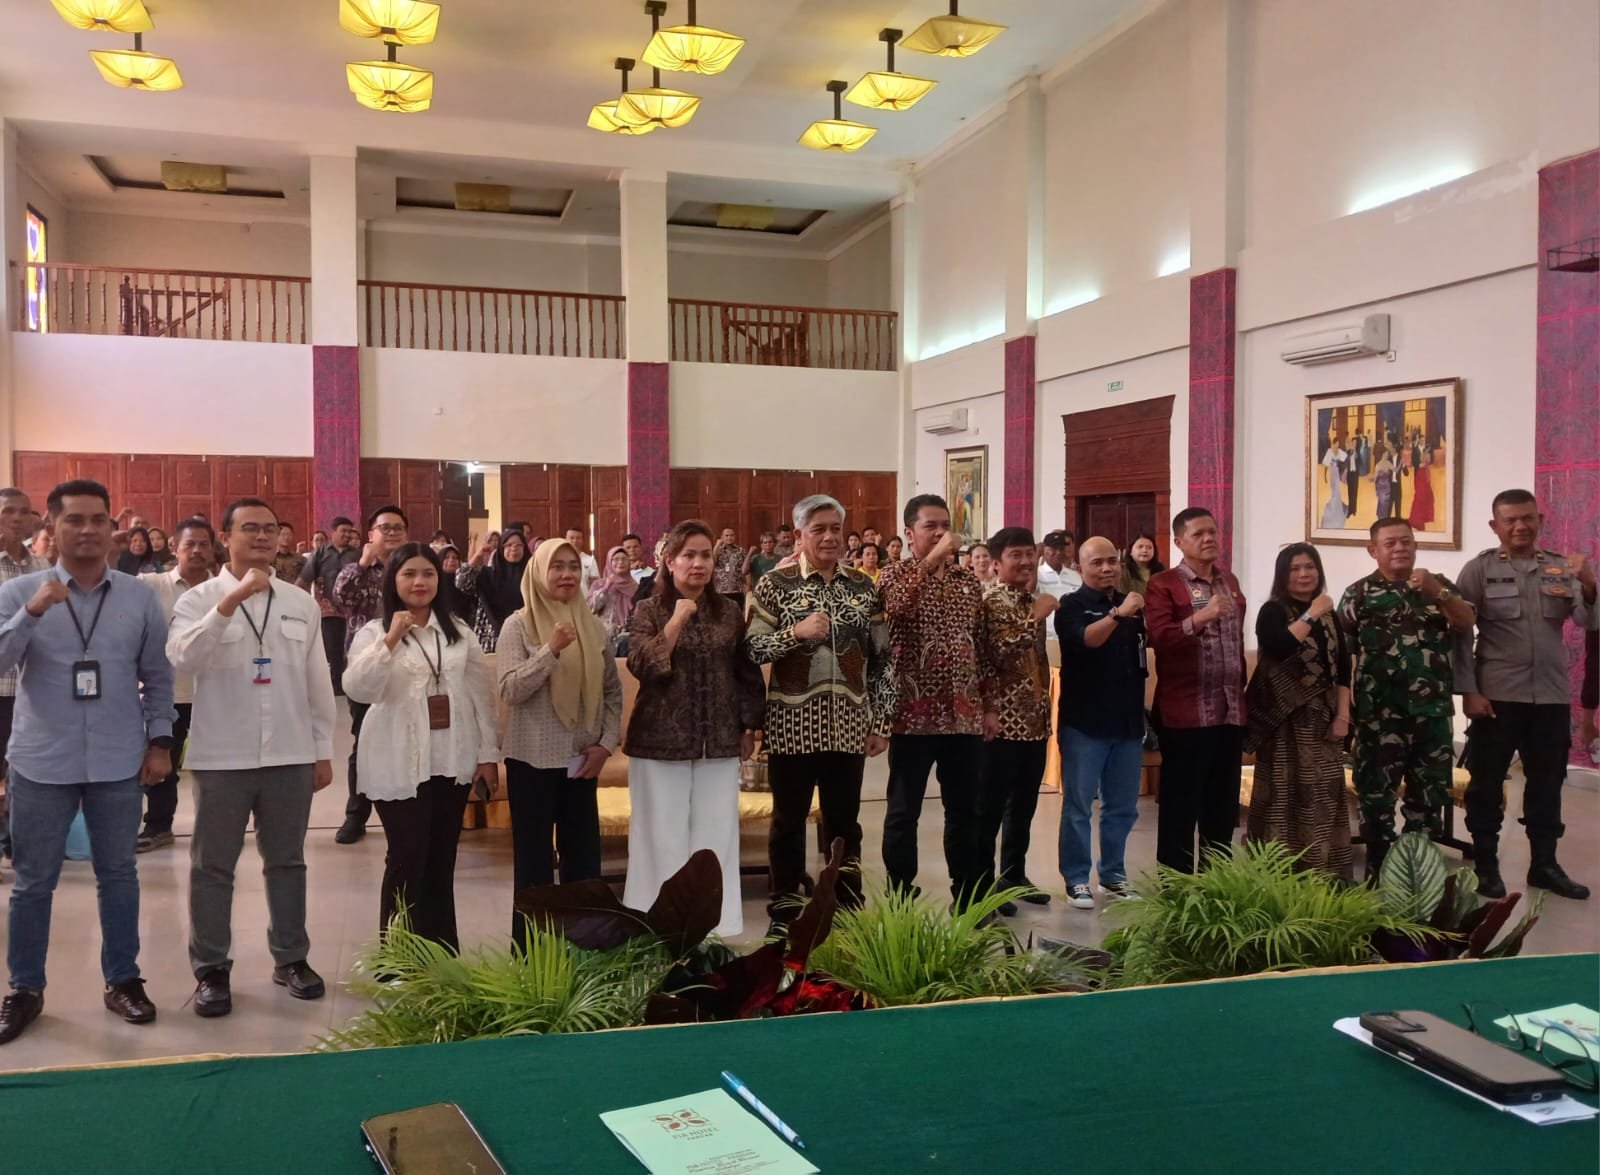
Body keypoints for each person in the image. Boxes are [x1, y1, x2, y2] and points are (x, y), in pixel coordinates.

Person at [0, 480, 173, 1045]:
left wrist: (160, 741)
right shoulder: (21, 590)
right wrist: (31, 612)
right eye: (75, 519)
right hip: (40, 761)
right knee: (33, 884)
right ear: (51, 527)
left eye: (99, 519)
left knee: (118, 874)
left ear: (111, 528)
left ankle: (123, 979)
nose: (88, 529)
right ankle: (25, 989)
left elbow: (158, 675)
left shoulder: (137, 596)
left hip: (117, 759)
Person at [167, 498, 336, 1017]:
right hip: (222, 755)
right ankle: (211, 969)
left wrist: (322, 749)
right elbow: (183, 659)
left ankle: (291, 958)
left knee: (287, 861)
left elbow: (317, 681)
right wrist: (232, 600)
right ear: (226, 537)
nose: (262, 536)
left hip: (289, 751)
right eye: (249, 528)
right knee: (212, 867)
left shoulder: (300, 602)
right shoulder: (198, 599)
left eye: (270, 528)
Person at [746, 495, 894, 926]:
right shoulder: (775, 584)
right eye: (819, 529)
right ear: (799, 535)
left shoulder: (863, 587)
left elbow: (882, 658)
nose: (830, 537)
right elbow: (753, 648)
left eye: (835, 529)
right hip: (792, 725)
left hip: (849, 724)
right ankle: (785, 909)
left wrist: (882, 721)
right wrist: (795, 632)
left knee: (845, 824)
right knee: (787, 823)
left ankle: (845, 906)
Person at [343, 544, 499, 949]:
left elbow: (481, 695)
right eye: (409, 574)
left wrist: (488, 755)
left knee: (441, 859)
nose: (419, 582)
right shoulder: (373, 633)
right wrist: (392, 639)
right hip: (396, 760)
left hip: (451, 757)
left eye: (427, 574)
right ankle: (398, 958)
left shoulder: (458, 632)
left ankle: (441, 952)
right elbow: (358, 688)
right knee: (407, 856)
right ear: (392, 581)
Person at [623, 521, 765, 937]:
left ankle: (714, 928)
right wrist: (676, 622)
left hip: (718, 741)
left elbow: (745, 672)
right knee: (659, 837)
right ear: (669, 561)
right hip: (658, 742)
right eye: (689, 555)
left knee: (716, 837)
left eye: (705, 555)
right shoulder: (649, 610)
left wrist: (748, 726)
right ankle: (654, 929)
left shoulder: (729, 612)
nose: (698, 563)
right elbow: (641, 665)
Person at [1453, 490, 1595, 900]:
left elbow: (1589, 620)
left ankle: (1544, 865)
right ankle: (1486, 865)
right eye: (1510, 520)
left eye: (1528, 518)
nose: (1520, 527)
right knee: (1486, 785)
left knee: (1548, 784)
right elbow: (1460, 635)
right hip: (1497, 696)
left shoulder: (1560, 567)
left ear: (1540, 520)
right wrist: (1468, 691)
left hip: (1550, 695)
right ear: (1495, 526)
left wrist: (1588, 582)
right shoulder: (1478, 570)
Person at [1338, 518, 1476, 878]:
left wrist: (1437, 592)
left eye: (1406, 541)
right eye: (1390, 543)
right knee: (1375, 799)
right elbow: (1339, 656)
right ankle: (1377, 871)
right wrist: (1343, 711)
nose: (1400, 548)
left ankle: (1418, 875)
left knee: (1428, 800)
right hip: (1378, 718)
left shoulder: (1439, 586)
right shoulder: (1358, 595)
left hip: (1431, 716)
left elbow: (1466, 622)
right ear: (1373, 550)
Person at [497, 539, 622, 929]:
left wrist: (605, 745)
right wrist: (549, 651)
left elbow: (612, 692)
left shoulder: (594, 627)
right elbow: (510, 690)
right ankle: (532, 951)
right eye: (557, 566)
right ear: (538, 572)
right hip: (531, 761)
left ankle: (583, 945)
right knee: (534, 864)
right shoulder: (518, 625)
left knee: (584, 862)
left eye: (573, 566)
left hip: (582, 760)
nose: (567, 574)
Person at [879, 495, 989, 906]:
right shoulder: (893, 574)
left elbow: (979, 645)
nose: (942, 533)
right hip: (913, 716)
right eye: (931, 526)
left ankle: (968, 898)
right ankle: (901, 899)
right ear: (910, 534)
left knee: (965, 812)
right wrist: (931, 561)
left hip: (963, 716)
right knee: (903, 812)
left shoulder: (967, 581)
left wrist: (988, 706)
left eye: (946, 525)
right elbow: (893, 608)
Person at [1145, 507, 1248, 873]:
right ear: (1179, 542)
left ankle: (1216, 881)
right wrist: (1202, 616)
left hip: (1229, 710)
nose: (1208, 539)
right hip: (1186, 713)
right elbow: (1161, 637)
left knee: (1221, 806)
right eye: (1198, 534)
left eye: (1212, 532)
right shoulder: (1163, 584)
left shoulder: (1228, 580)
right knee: (1181, 805)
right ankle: (1175, 886)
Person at [1243, 544, 1352, 879]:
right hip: (1283, 721)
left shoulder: (1331, 616)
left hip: (1323, 719)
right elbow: (1279, 647)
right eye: (1295, 569)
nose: (1304, 574)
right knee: (1283, 794)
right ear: (1283, 575)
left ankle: (1324, 871)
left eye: (1310, 567)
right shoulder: (1273, 611)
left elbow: (1343, 669)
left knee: (1323, 793)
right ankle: (1278, 874)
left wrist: (1343, 716)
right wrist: (1312, 613)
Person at [1054, 535, 1148, 908]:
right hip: (1085, 723)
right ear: (1081, 567)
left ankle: (1113, 875)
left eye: (1112, 561)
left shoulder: (1130, 603)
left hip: (1127, 722)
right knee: (1078, 806)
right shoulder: (1071, 606)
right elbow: (1088, 640)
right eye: (1098, 562)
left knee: (1122, 807)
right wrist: (1118, 614)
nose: (1107, 568)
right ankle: (1077, 879)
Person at [974, 527, 1057, 912]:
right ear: (996, 563)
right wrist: (1035, 618)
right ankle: (981, 885)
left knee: (1023, 806)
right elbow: (998, 654)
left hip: (1033, 721)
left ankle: (1013, 875)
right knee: (989, 809)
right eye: (1016, 555)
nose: (1026, 562)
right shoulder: (991, 601)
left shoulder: (1028, 599)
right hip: (1001, 722)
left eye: (1029, 554)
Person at [135, 517, 217, 853]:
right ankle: (158, 825)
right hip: (167, 693)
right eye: (189, 544)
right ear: (173, 547)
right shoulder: (150, 585)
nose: (197, 550)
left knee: (215, 766)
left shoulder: (225, 590)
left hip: (215, 693)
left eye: (203, 544)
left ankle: (217, 828)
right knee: (160, 762)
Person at [332, 505, 410, 844]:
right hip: (367, 668)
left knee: (410, 737)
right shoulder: (358, 568)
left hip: (410, 667)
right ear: (371, 534)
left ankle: (408, 809)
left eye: (397, 528)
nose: (391, 533)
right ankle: (356, 815)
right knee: (364, 739)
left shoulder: (414, 567)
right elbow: (341, 597)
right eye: (384, 528)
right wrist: (364, 563)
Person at [0, 489, 51, 866]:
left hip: (32, 686)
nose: (16, 519)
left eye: (23, 512)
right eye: (7, 512)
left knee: (25, 771)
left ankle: (17, 843)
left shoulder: (42, 567)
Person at [296, 517, 360, 702]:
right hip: (328, 610)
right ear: (333, 532)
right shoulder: (320, 553)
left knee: (351, 648)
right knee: (333, 649)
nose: (347, 535)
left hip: (352, 611)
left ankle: (350, 683)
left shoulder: (357, 554)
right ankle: (335, 685)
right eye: (343, 531)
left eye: (350, 531)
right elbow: (304, 579)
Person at [457, 529, 528, 653]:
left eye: (518, 545)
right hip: (491, 639)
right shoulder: (488, 575)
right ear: (501, 549)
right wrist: (476, 557)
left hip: (525, 637)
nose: (514, 548)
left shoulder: (531, 575)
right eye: (508, 545)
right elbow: (461, 583)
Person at [586, 545, 637, 652]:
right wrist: (606, 588)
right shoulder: (599, 584)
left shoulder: (635, 587)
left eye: (624, 559)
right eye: (616, 559)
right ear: (609, 562)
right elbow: (591, 608)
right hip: (602, 637)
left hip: (627, 638)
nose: (620, 562)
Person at [1036, 531, 1083, 599]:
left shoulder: (1075, 576)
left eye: (1061, 549)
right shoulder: (1037, 574)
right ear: (1044, 550)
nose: (1058, 552)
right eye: (1053, 549)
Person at [712, 527, 747, 610]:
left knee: (737, 613)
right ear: (722, 537)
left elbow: (746, 570)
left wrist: (747, 586)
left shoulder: (741, 551)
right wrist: (717, 545)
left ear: (734, 537)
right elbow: (712, 562)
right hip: (721, 589)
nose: (729, 537)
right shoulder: (718, 550)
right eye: (727, 535)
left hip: (737, 589)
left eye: (731, 535)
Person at [1408, 436, 1436, 530]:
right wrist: (1419, 465)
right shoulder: (1415, 450)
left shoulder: (1427, 451)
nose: (1423, 441)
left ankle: (1423, 517)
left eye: (1424, 440)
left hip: (1426, 474)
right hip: (1419, 474)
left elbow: (1431, 461)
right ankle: (1416, 519)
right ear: (1419, 440)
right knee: (1419, 495)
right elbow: (1413, 462)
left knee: (1426, 496)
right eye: (1421, 440)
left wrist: (1427, 460)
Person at [1320, 441, 1349, 529]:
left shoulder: (1339, 451)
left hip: (1337, 472)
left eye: (1338, 444)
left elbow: (1346, 458)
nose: (1337, 445)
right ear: (1333, 443)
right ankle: (1334, 501)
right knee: (1333, 488)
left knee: (1337, 488)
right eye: (1336, 443)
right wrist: (1324, 476)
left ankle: (1337, 503)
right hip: (1332, 472)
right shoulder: (1329, 451)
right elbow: (1325, 464)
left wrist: (1344, 470)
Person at [564, 526, 600, 595]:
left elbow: (595, 585)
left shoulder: (590, 560)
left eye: (578, 538)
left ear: (582, 541)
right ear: (566, 539)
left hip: (584, 599)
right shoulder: (560, 559)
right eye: (572, 538)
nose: (575, 541)